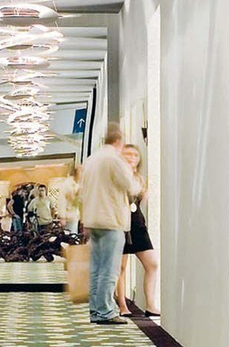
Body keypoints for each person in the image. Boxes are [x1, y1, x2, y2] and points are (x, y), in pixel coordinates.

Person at [79, 122, 139, 325]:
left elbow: (83, 191)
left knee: (96, 269)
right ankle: (105, 311)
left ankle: (96, 310)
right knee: (110, 268)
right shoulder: (114, 159)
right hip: (111, 220)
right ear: (119, 140)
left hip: (93, 219)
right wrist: (134, 174)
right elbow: (130, 186)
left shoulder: (91, 160)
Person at [115, 144, 161, 317]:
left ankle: (151, 304)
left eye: (135, 155)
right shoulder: (116, 177)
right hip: (120, 223)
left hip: (137, 223)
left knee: (152, 263)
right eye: (128, 154)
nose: (132, 157)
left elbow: (142, 199)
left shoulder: (139, 179)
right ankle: (122, 305)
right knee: (121, 266)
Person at [62, 167, 82, 234]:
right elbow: (63, 201)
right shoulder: (68, 184)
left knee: (74, 233)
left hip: (76, 216)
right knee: (70, 235)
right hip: (70, 217)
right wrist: (62, 217)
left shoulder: (78, 184)